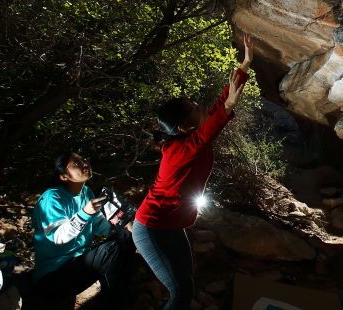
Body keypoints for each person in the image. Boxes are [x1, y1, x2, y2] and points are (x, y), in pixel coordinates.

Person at [133, 34, 254, 310]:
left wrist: (245, 63)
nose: (199, 106)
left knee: (186, 283)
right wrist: (230, 106)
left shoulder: (189, 136)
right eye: (192, 108)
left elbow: (219, 104)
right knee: (179, 291)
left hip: (172, 225)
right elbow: (215, 123)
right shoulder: (179, 150)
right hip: (151, 228)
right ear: (184, 127)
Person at [31, 152, 136, 305]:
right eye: (76, 164)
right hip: (54, 275)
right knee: (110, 250)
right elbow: (58, 237)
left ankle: (122, 292)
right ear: (63, 176)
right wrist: (85, 213)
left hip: (80, 264)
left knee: (128, 236)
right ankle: (114, 302)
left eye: (83, 160)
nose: (84, 164)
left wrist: (124, 224)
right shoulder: (52, 198)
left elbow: (99, 226)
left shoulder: (86, 192)